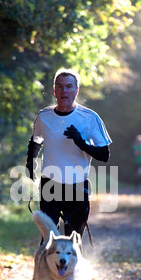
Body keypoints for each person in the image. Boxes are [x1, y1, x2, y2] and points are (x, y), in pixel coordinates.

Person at [25, 68, 112, 238]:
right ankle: (44, 264)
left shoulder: (90, 118)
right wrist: (30, 162)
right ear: (55, 90)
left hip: (78, 184)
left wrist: (81, 143)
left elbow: (104, 155)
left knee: (73, 240)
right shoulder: (44, 116)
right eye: (60, 87)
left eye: (69, 87)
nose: (64, 91)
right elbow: (35, 141)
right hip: (50, 184)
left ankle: (73, 264)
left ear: (76, 90)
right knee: (49, 238)